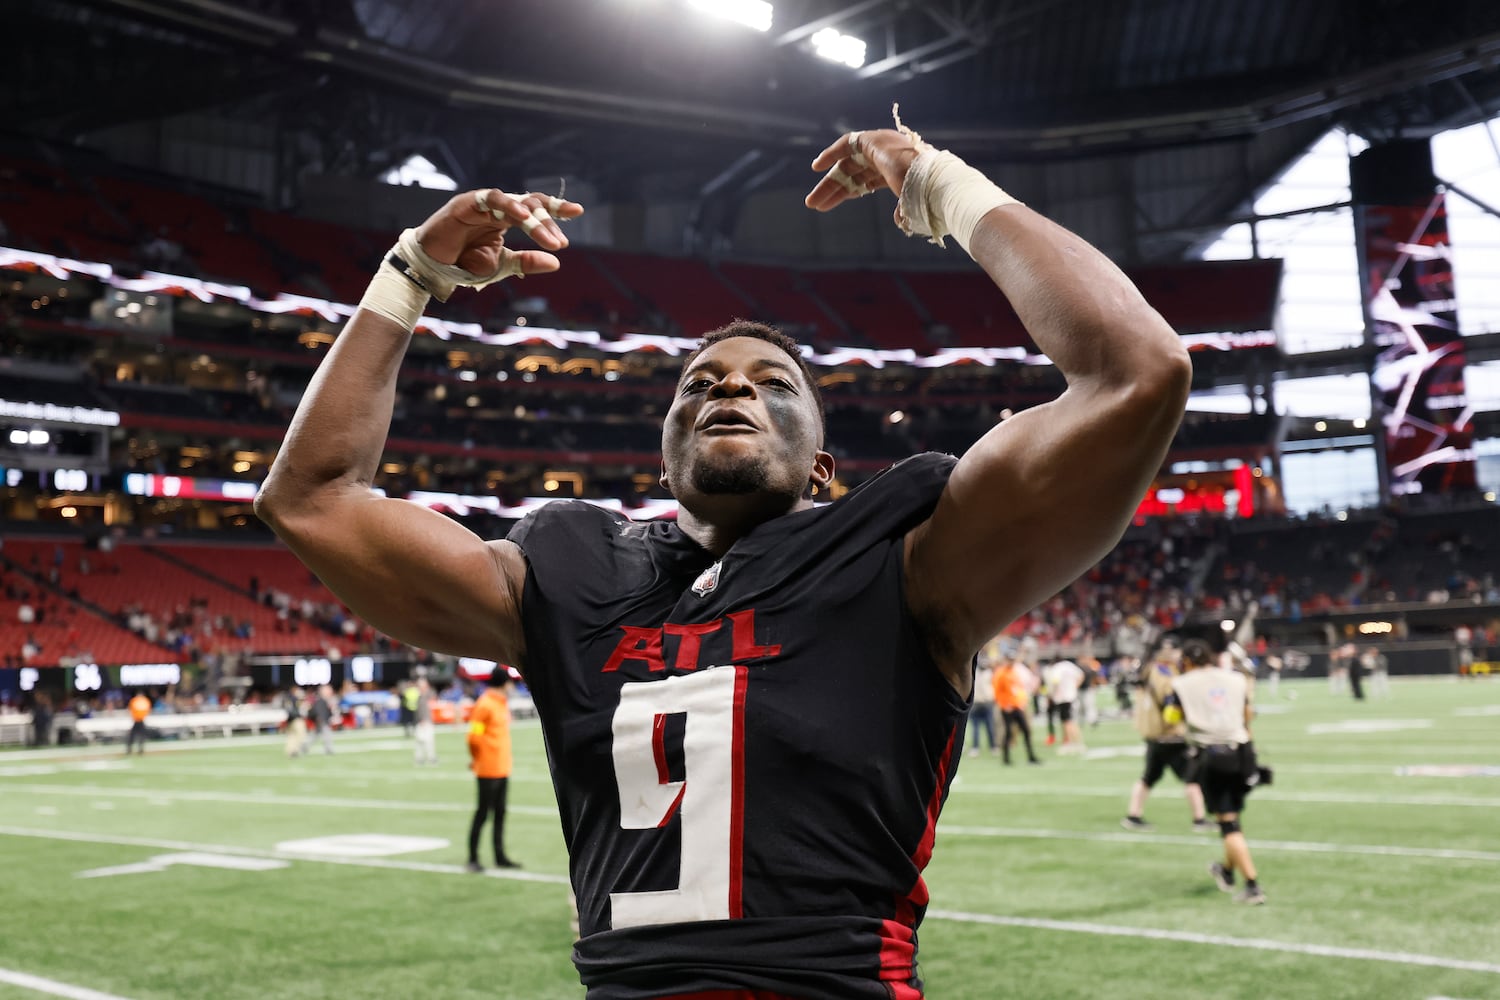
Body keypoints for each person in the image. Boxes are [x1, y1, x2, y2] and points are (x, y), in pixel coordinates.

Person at [254, 122, 1191, 997]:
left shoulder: (905, 557)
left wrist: (940, 185)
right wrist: (409, 273)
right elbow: (313, 500)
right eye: (698, 385)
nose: (729, 386)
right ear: (666, 453)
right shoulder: (569, 575)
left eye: (771, 383)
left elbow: (1135, 370)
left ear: (825, 468)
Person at [1170, 639, 1266, 905]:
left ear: (1187, 661)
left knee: (1228, 825)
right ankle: (1227, 870)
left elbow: (1171, 717)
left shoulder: (1181, 684)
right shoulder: (1234, 679)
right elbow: (1248, 714)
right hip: (1242, 750)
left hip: (1212, 755)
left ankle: (1252, 885)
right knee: (1231, 818)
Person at [1121, 640, 1212, 833]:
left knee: (1149, 777)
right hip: (1169, 735)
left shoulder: (1150, 670)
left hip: (1157, 735)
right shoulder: (1163, 672)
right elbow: (1171, 695)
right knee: (1192, 777)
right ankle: (1199, 819)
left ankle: (1133, 815)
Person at [466, 669, 518, 871]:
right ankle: (472, 858)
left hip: (502, 767)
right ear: (504, 684)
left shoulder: (500, 704)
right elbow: (474, 736)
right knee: (482, 814)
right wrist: (477, 759)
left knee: (500, 814)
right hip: (488, 769)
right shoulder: (485, 704)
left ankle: (500, 856)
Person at [993, 654, 1040, 766]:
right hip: (1007, 708)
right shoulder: (1001, 673)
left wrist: (1021, 702)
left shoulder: (1013, 672)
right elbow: (997, 691)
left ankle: (1031, 756)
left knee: (1026, 731)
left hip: (1017, 706)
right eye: (1010, 660)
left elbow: (1018, 689)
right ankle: (1006, 758)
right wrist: (1004, 705)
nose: (1011, 662)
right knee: (1008, 732)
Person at [1042, 658, 1088, 754]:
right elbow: (1081, 675)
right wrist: (1074, 687)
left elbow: (1055, 682)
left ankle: (1075, 743)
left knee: (1068, 722)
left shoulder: (1056, 668)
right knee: (1069, 721)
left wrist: (1051, 695)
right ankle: (1072, 742)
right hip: (1071, 696)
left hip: (1063, 698)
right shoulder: (1069, 665)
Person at [968, 648, 997, 756]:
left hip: (977, 702)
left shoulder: (974, 673)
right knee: (988, 725)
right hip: (985, 702)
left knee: (977, 727)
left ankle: (976, 748)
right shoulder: (988, 674)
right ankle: (993, 747)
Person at [413, 676, 438, 766]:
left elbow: (428, 708)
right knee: (419, 741)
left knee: (428, 741)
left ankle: (431, 758)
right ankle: (419, 758)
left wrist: (424, 719)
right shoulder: (420, 696)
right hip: (421, 721)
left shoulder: (428, 694)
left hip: (426, 721)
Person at [307, 684, 336, 755]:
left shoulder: (324, 700)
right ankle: (328, 749)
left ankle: (304, 747)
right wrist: (321, 719)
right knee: (326, 735)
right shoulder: (320, 700)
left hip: (322, 721)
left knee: (314, 735)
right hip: (322, 721)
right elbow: (319, 712)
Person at [282, 685, 307, 758]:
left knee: (291, 736)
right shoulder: (294, 698)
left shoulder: (287, 698)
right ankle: (294, 750)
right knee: (301, 734)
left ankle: (290, 751)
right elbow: (294, 709)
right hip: (296, 719)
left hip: (290, 720)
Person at [125, 689, 151, 754]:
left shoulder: (135, 700)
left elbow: (130, 710)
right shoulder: (145, 701)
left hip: (137, 720)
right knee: (140, 736)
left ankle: (131, 749)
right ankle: (139, 750)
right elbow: (148, 710)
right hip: (140, 720)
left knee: (133, 736)